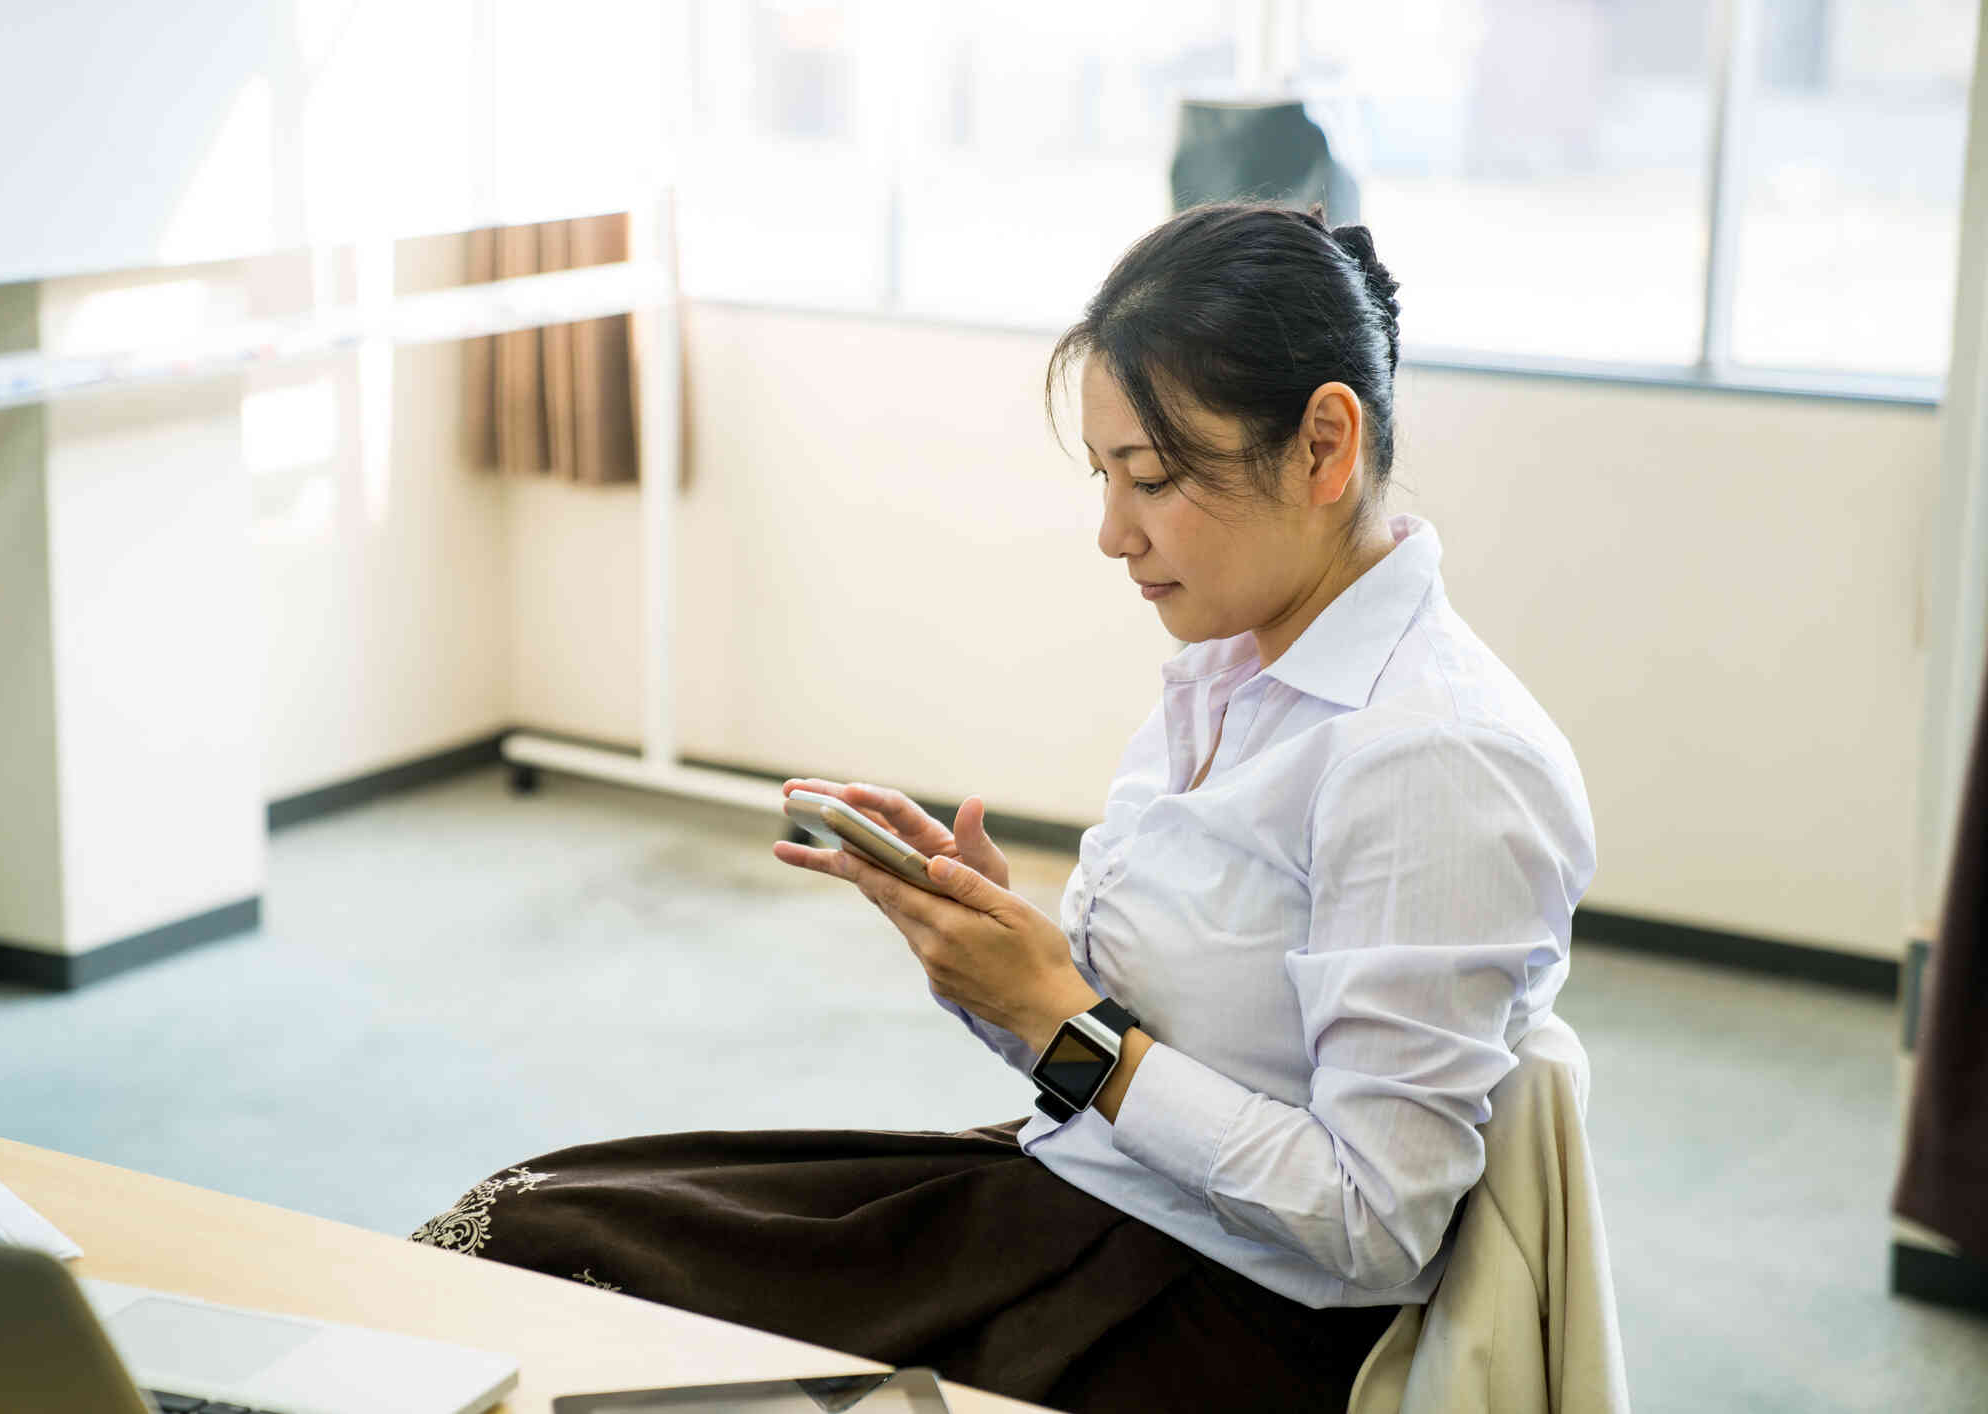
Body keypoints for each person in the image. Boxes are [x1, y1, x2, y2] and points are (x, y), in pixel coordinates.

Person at [412, 201, 1597, 1414]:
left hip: (1223, 1309)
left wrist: (1062, 1021)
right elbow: (1114, 1048)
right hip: (1091, 1194)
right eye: (1103, 477)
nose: (1110, 533)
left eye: (1151, 476)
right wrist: (992, 965)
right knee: (521, 1223)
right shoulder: (1231, 674)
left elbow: (1373, 1221)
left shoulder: (1433, 759)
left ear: (1323, 444)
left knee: (571, 1290)